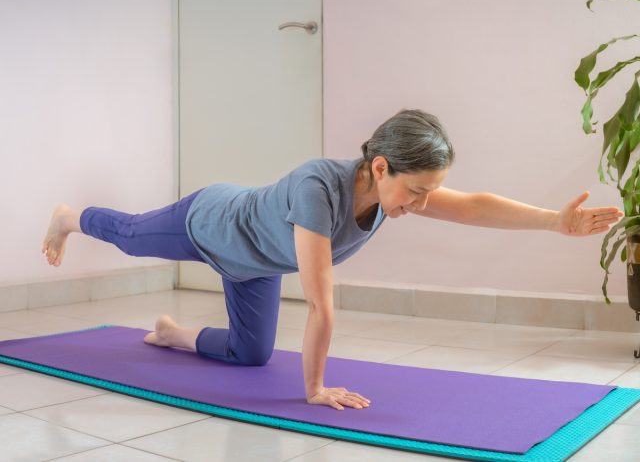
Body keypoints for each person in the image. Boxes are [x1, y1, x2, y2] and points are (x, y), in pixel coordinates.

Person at [41, 109, 623, 412]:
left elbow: (471, 207)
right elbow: (321, 302)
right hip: (209, 222)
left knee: (251, 355)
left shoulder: (394, 191)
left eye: (428, 192)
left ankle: (172, 334)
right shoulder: (318, 189)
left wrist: (554, 221)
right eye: (416, 191)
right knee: (133, 236)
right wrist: (316, 388)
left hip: (254, 263)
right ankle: (72, 216)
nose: (421, 203)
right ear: (379, 168)